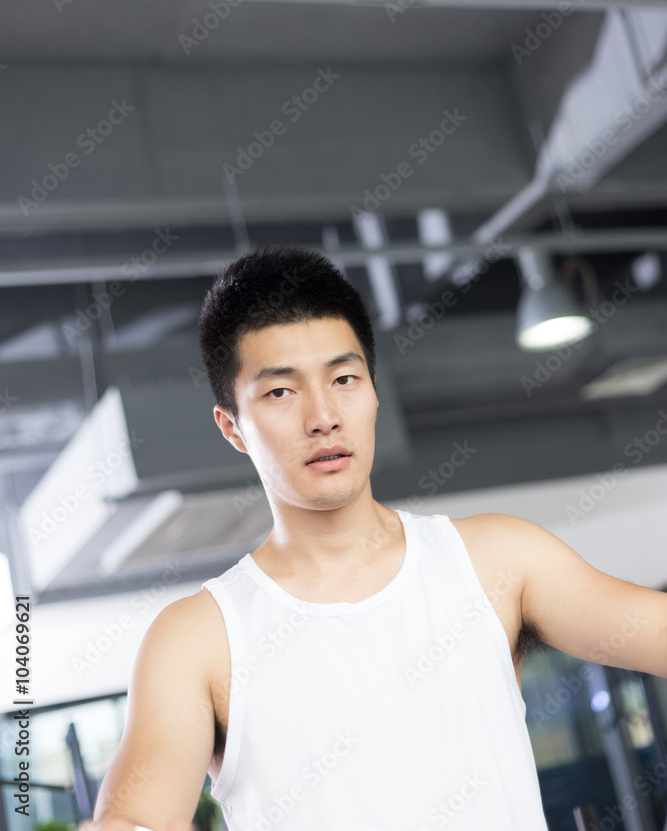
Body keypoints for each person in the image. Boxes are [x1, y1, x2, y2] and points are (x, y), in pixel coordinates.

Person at [86, 244, 667, 831]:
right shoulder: (198, 640)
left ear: (372, 390)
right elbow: (136, 816)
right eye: (281, 392)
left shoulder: (499, 559)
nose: (324, 416)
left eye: (343, 378)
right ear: (232, 426)